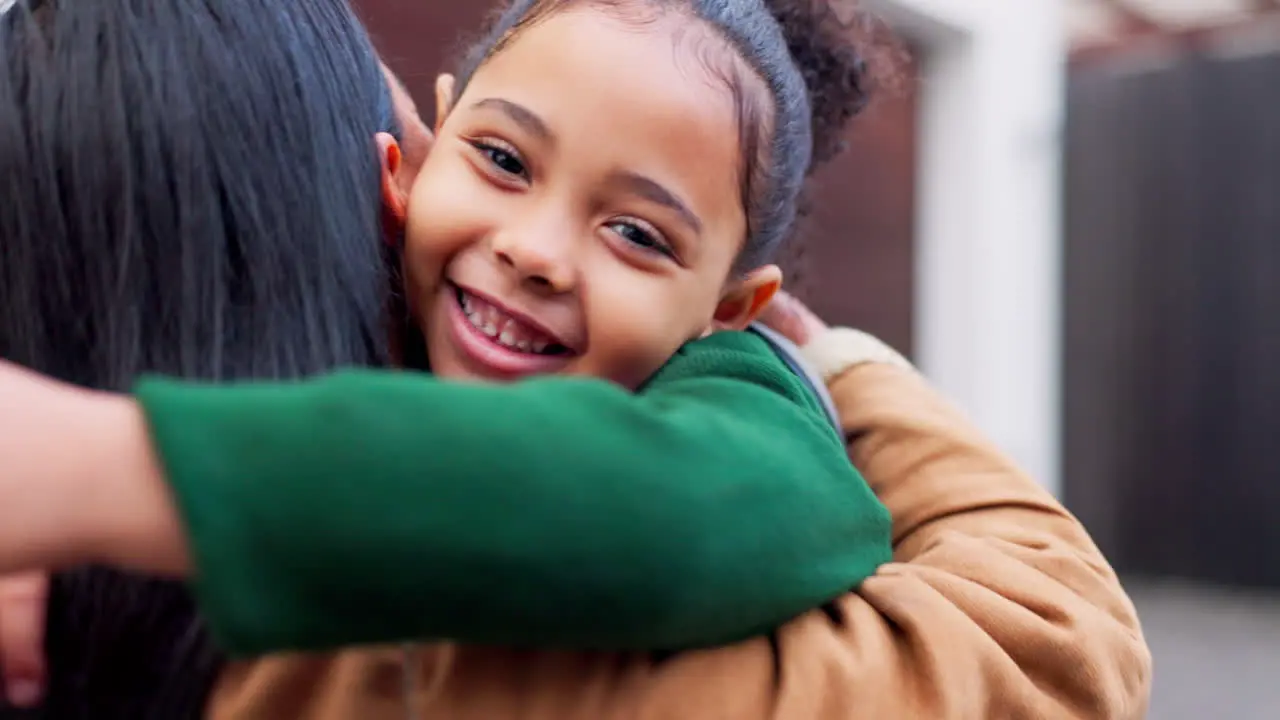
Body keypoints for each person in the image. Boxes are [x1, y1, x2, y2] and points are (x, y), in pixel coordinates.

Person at [0, 0, 895, 711]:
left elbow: (666, 513)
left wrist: (105, 472)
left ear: (727, 309)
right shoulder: (378, 299)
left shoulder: (750, 406)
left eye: (635, 234)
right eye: (504, 159)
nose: (535, 250)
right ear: (417, 162)